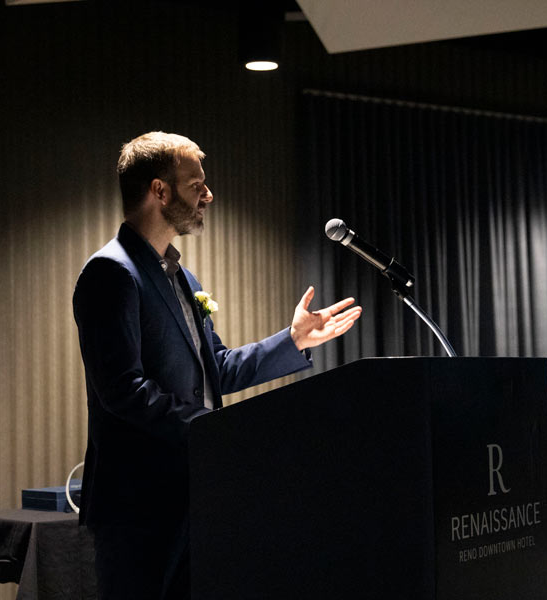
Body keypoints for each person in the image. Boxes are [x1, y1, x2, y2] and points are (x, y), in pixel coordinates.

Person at [72, 131, 362, 600]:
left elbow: (218, 368)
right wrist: (215, 432)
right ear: (159, 190)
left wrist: (293, 341)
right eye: (195, 184)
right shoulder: (111, 272)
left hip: (195, 489)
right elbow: (123, 389)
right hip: (137, 503)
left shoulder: (182, 276)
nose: (208, 194)